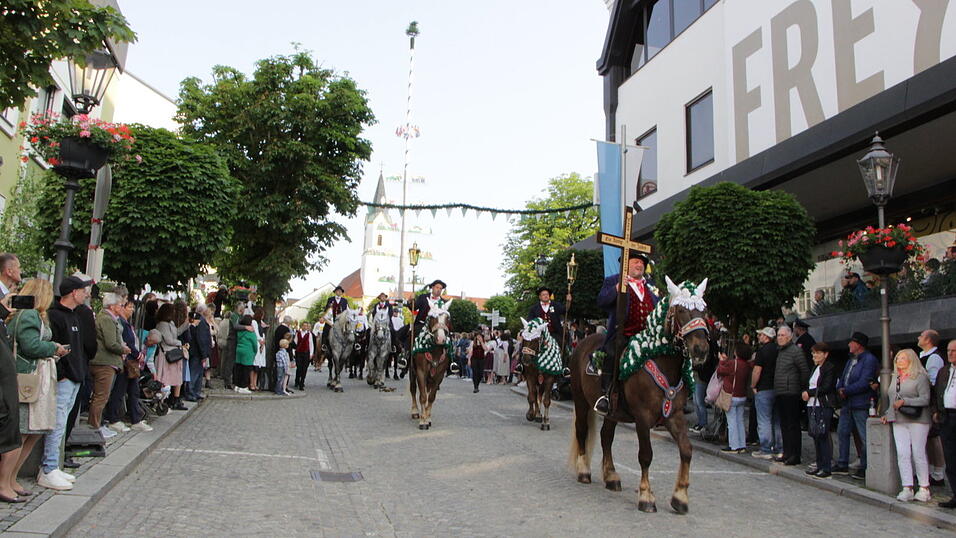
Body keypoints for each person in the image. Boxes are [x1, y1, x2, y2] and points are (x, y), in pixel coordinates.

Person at [4, 279, 69, 499]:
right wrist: (54, 347)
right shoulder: (29, 315)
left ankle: (11, 479)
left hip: (29, 378)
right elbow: (31, 346)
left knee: (32, 432)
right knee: (22, 433)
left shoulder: (27, 315)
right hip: (27, 380)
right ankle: (5, 481)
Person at [40, 275, 92, 491]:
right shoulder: (56, 316)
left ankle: (54, 464)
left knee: (62, 424)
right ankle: (48, 467)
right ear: (73, 292)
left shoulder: (75, 316)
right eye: (83, 290)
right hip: (65, 377)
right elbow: (55, 346)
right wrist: (62, 374)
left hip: (76, 376)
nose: (86, 294)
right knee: (58, 423)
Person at [592, 250, 658, 415]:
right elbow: (601, 301)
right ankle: (606, 395)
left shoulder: (651, 286)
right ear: (625, 265)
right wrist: (616, 288)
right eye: (636, 262)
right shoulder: (614, 280)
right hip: (623, 335)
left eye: (642, 263)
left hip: (648, 337)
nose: (640, 265)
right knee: (611, 354)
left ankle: (669, 396)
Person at [882, 349, 932, 502]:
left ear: (911, 360)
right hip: (899, 419)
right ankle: (907, 486)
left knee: (918, 452)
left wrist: (906, 402)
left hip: (918, 418)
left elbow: (925, 399)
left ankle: (924, 487)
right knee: (903, 453)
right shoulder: (895, 377)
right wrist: (888, 414)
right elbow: (892, 399)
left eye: (903, 358)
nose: (899, 361)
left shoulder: (920, 377)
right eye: (897, 358)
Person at [833, 332, 879, 479]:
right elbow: (843, 376)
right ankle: (842, 462)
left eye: (851, 342)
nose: (849, 345)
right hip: (848, 403)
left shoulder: (869, 360)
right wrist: (840, 388)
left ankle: (865, 466)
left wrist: (846, 390)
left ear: (858, 344)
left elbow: (865, 381)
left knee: (864, 436)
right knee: (842, 432)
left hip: (861, 403)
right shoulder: (851, 360)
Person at [103, 298, 151, 434]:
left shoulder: (125, 323)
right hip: (126, 361)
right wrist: (137, 354)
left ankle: (135, 418)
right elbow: (125, 342)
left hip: (131, 362)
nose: (132, 310)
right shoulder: (120, 323)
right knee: (119, 390)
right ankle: (113, 418)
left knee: (133, 390)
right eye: (129, 307)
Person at [89, 292, 131, 439]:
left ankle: (97, 425)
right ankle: (95, 427)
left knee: (102, 396)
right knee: (101, 397)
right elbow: (110, 343)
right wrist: (123, 349)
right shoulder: (106, 319)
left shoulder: (110, 318)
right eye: (120, 305)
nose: (121, 307)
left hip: (107, 362)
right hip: (104, 362)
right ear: (112, 306)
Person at [772, 325, 809, 465]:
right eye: (778, 335)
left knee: (793, 425)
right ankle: (787, 452)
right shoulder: (780, 352)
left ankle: (795, 455)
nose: (779, 338)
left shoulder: (796, 351)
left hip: (792, 392)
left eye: (782, 335)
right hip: (780, 392)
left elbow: (804, 371)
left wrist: (800, 387)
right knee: (784, 425)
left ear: (789, 336)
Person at [803, 342, 838, 478]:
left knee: (823, 435)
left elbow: (827, 386)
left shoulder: (829, 368)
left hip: (823, 405)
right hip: (812, 405)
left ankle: (826, 466)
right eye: (813, 353)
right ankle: (819, 464)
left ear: (825, 354)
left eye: (818, 353)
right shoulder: (815, 368)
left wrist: (809, 393)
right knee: (815, 435)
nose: (815, 356)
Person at [918, 329, 947, 486]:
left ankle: (938, 472)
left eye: (921, 336)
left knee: (933, 438)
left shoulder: (934, 358)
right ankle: (930, 470)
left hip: (930, 403)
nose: (919, 338)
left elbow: (933, 381)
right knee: (927, 439)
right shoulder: (923, 356)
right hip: (925, 401)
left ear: (928, 340)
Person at [751, 327, 782, 459]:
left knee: (764, 420)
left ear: (766, 337)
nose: (759, 337)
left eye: (761, 335)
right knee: (777, 420)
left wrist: (753, 385)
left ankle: (766, 448)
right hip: (777, 388)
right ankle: (779, 447)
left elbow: (757, 371)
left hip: (764, 387)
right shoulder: (779, 350)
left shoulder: (762, 351)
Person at [932, 340, 956, 508]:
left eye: (954, 351)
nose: (950, 353)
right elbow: (936, 392)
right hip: (946, 417)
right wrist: (936, 411)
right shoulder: (944, 371)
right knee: (950, 457)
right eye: (948, 350)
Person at [717, 344, 752, 453]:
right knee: (740, 421)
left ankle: (734, 445)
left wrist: (722, 361)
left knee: (731, 422)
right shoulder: (747, 365)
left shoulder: (733, 363)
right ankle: (742, 445)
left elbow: (720, 371)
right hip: (742, 395)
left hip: (731, 395)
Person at [154, 303, 188, 409]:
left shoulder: (171, 323)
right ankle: (164, 399)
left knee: (177, 377)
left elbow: (176, 332)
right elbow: (169, 340)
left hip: (173, 353)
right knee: (166, 377)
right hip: (167, 354)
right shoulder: (162, 325)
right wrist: (179, 343)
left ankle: (175, 398)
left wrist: (187, 323)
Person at [186, 304, 212, 401]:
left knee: (199, 373)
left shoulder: (200, 320)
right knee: (195, 373)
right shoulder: (200, 321)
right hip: (197, 352)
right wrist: (204, 354)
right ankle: (191, 392)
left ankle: (196, 392)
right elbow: (201, 338)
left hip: (198, 352)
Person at [235, 314, 257, 394]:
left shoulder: (239, 331)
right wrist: (255, 351)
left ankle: (237, 385)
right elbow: (255, 344)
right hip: (248, 351)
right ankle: (243, 386)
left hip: (239, 350)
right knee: (246, 369)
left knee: (239, 368)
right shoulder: (251, 333)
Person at [292, 321, 316, 391]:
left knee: (304, 368)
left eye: (306, 326)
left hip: (306, 353)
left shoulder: (309, 334)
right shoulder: (298, 333)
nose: (305, 327)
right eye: (304, 326)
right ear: (301, 326)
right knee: (299, 368)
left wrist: (311, 353)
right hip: (299, 352)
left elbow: (311, 344)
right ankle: (297, 380)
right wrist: (294, 351)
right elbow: (295, 343)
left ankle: (302, 383)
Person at [250, 306, 267, 391]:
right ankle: (251, 383)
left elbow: (262, 334)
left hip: (261, 345)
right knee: (254, 366)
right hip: (256, 344)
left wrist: (263, 342)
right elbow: (256, 333)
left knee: (257, 367)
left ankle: (255, 383)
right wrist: (260, 341)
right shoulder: (254, 322)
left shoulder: (260, 323)